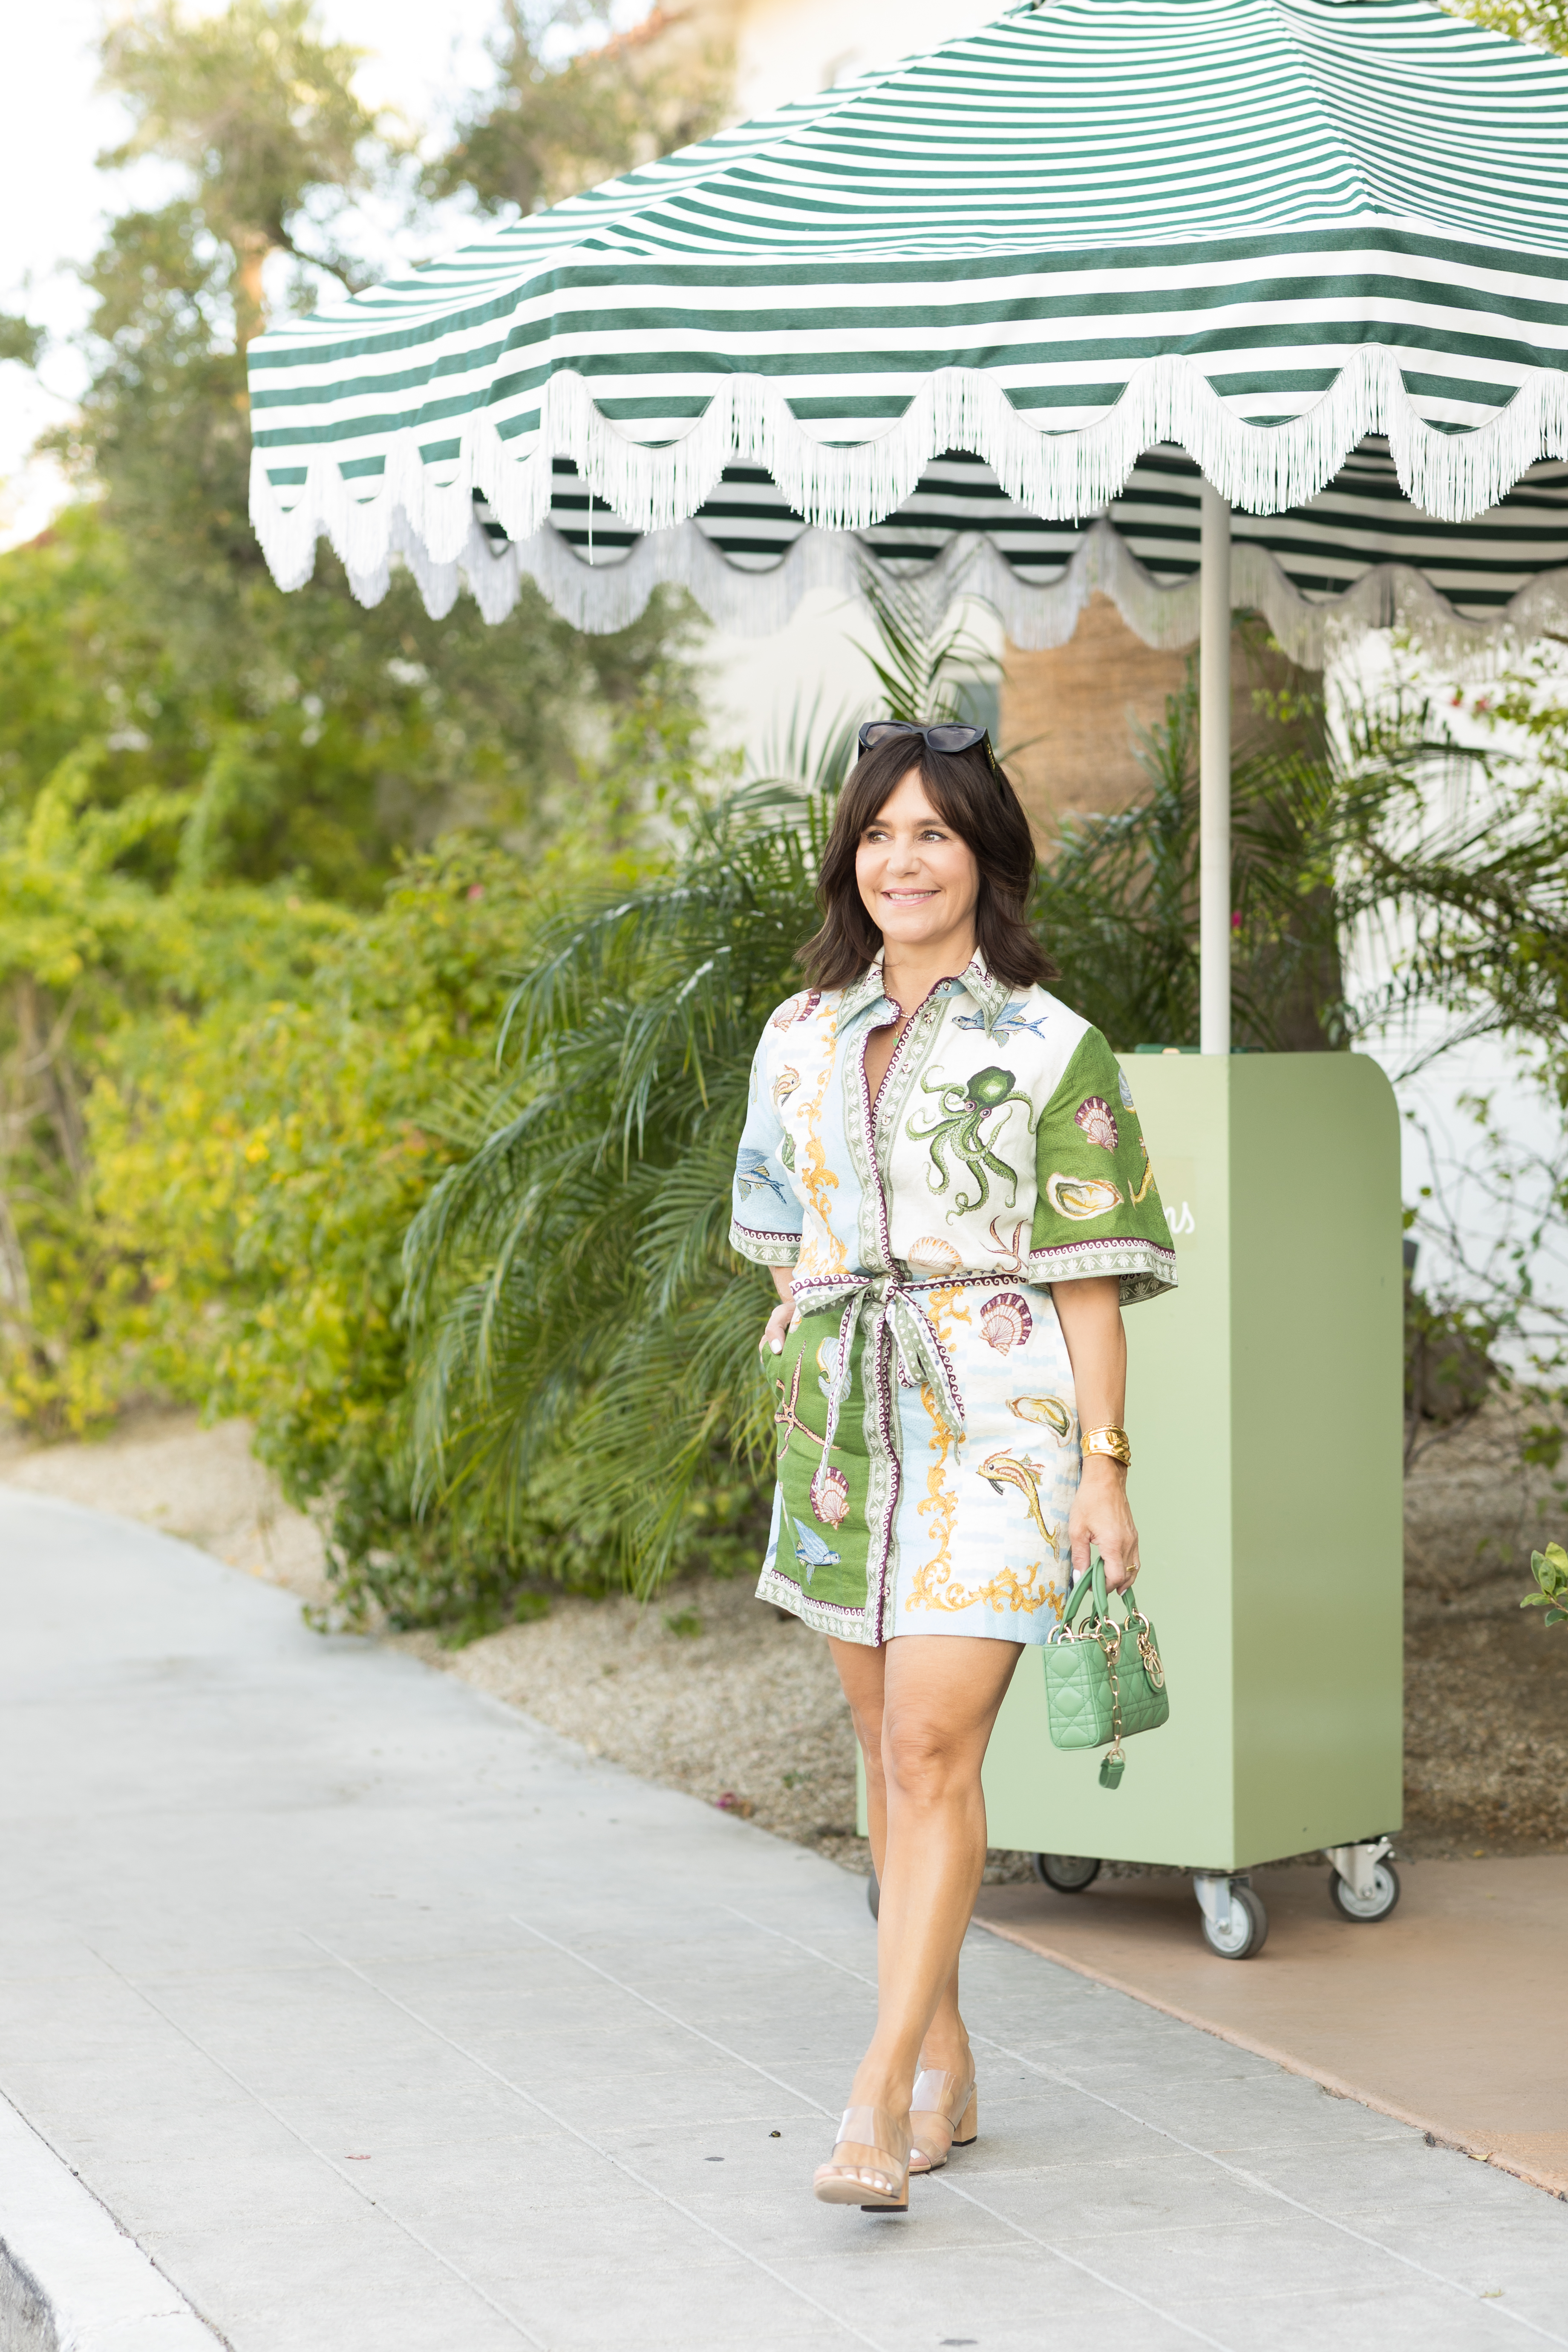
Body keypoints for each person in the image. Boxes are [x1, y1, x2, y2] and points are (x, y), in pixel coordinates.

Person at [729, 721, 1177, 2214]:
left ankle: (874, 2089)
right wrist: (806, 1330)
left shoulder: (1055, 1045)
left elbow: (1093, 1278)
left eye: (930, 832)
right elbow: (776, 1238)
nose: (900, 860)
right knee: (889, 1757)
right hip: (846, 1425)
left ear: (986, 851)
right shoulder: (796, 1034)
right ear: (851, 861)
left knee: (931, 1749)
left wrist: (1104, 1471)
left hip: (1000, 1423)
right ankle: (949, 2057)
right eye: (876, 835)